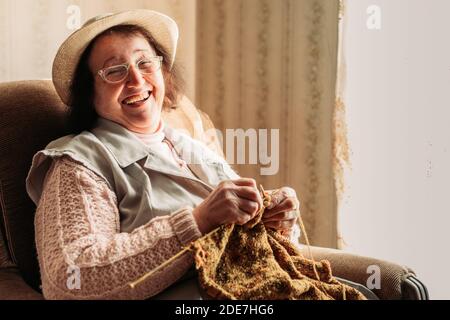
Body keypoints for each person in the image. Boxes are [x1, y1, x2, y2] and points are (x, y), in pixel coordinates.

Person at [25, 9, 300, 300]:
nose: (135, 80)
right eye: (115, 70)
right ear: (89, 93)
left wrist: (279, 225)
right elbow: (69, 279)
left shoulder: (193, 147)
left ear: (163, 73)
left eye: (145, 62)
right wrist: (197, 221)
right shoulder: (78, 163)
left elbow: (254, 247)